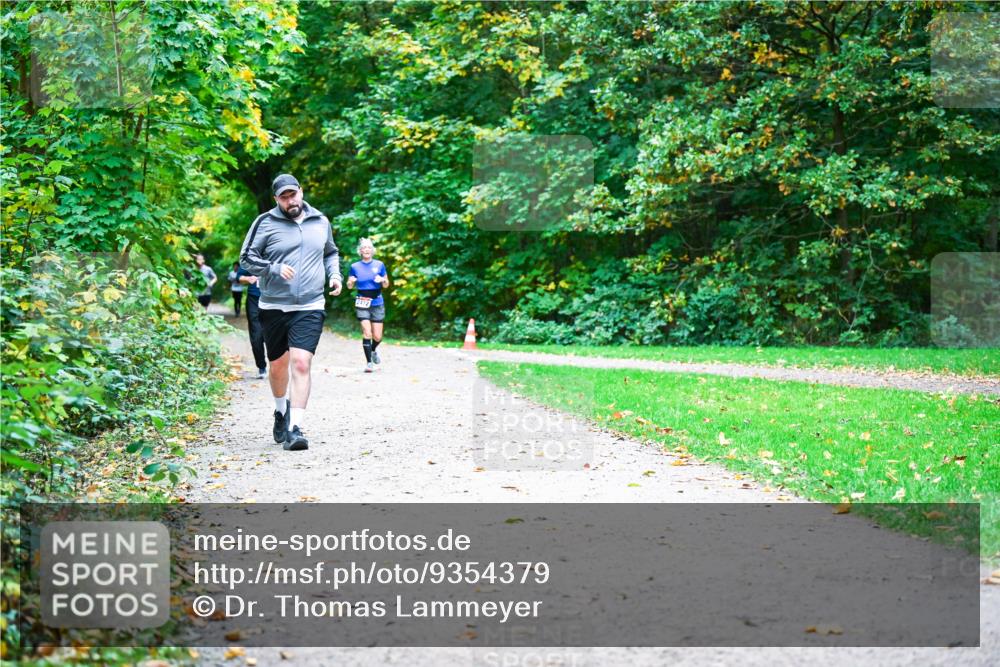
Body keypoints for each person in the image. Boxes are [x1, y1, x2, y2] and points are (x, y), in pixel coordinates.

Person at [239, 174, 342, 452]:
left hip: (310, 305)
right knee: (279, 365)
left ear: (301, 191)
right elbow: (246, 258)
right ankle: (280, 411)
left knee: (301, 363)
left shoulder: (320, 220)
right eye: (284, 197)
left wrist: (335, 276)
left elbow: (331, 252)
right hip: (273, 305)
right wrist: (272, 268)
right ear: (276, 199)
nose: (290, 201)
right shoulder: (264, 223)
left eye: (293, 194)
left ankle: (295, 428)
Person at [346, 238, 389, 373]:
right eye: (363, 248)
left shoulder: (380, 265)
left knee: (377, 337)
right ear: (360, 251)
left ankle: (374, 350)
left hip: (377, 302)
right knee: (367, 333)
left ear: (372, 251)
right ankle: (369, 363)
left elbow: (386, 284)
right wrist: (351, 282)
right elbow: (348, 285)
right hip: (362, 302)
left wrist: (382, 280)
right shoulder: (354, 266)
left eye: (368, 248)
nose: (366, 250)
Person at [236, 264, 267, 380]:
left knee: (275, 335)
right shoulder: (251, 255)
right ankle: (261, 366)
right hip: (254, 299)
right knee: (257, 335)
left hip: (276, 300)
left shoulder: (279, 251)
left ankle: (277, 366)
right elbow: (239, 277)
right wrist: (248, 278)